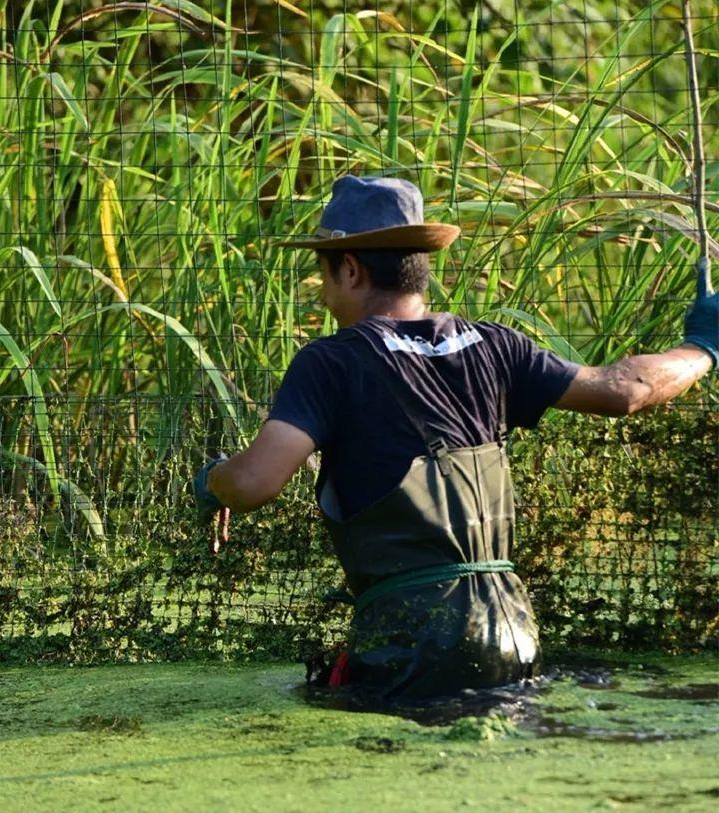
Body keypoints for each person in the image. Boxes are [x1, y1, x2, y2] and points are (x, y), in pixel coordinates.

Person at [194, 176, 717, 703]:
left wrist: (213, 482)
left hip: (412, 649)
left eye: (323, 275)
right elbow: (625, 389)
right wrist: (703, 347)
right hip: (514, 636)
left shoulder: (331, 361)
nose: (325, 294)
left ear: (350, 268)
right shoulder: (496, 345)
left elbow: (255, 481)